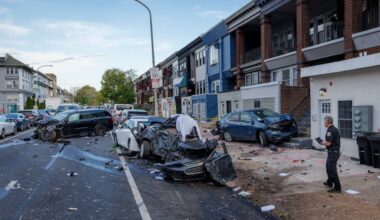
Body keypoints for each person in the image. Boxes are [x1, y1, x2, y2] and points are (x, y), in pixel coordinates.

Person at [321, 116, 342, 193]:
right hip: (332, 152)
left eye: (324, 121)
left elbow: (329, 143)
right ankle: (329, 182)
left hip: (333, 152)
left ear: (327, 122)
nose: (324, 123)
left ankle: (337, 187)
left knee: (332, 169)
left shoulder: (331, 131)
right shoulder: (333, 129)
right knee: (328, 167)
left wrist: (322, 142)